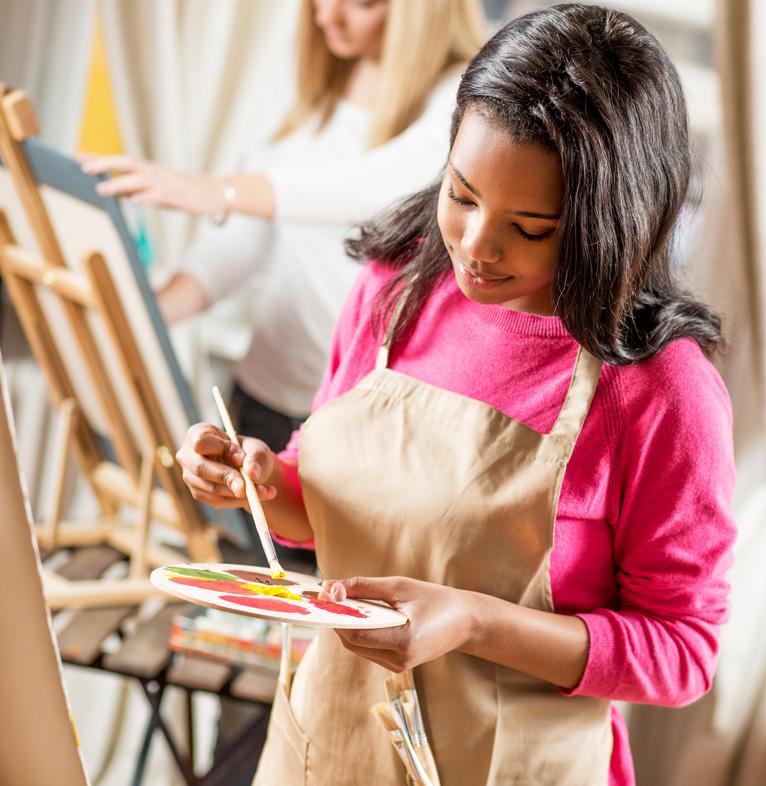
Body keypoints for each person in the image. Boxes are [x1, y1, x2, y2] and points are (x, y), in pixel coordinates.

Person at [175, 5, 736, 785]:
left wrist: (473, 622)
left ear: (608, 220)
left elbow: (683, 652)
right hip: (324, 753)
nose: (474, 246)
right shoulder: (394, 287)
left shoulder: (659, 393)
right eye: (462, 195)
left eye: (530, 228)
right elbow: (324, 505)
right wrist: (262, 481)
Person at [81, 0, 487, 502]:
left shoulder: (467, 93)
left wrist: (222, 190)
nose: (325, 17)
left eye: (360, 4)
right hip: (262, 397)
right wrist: (158, 310)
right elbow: (252, 236)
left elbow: (385, 184)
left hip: (361, 420)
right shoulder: (310, 84)